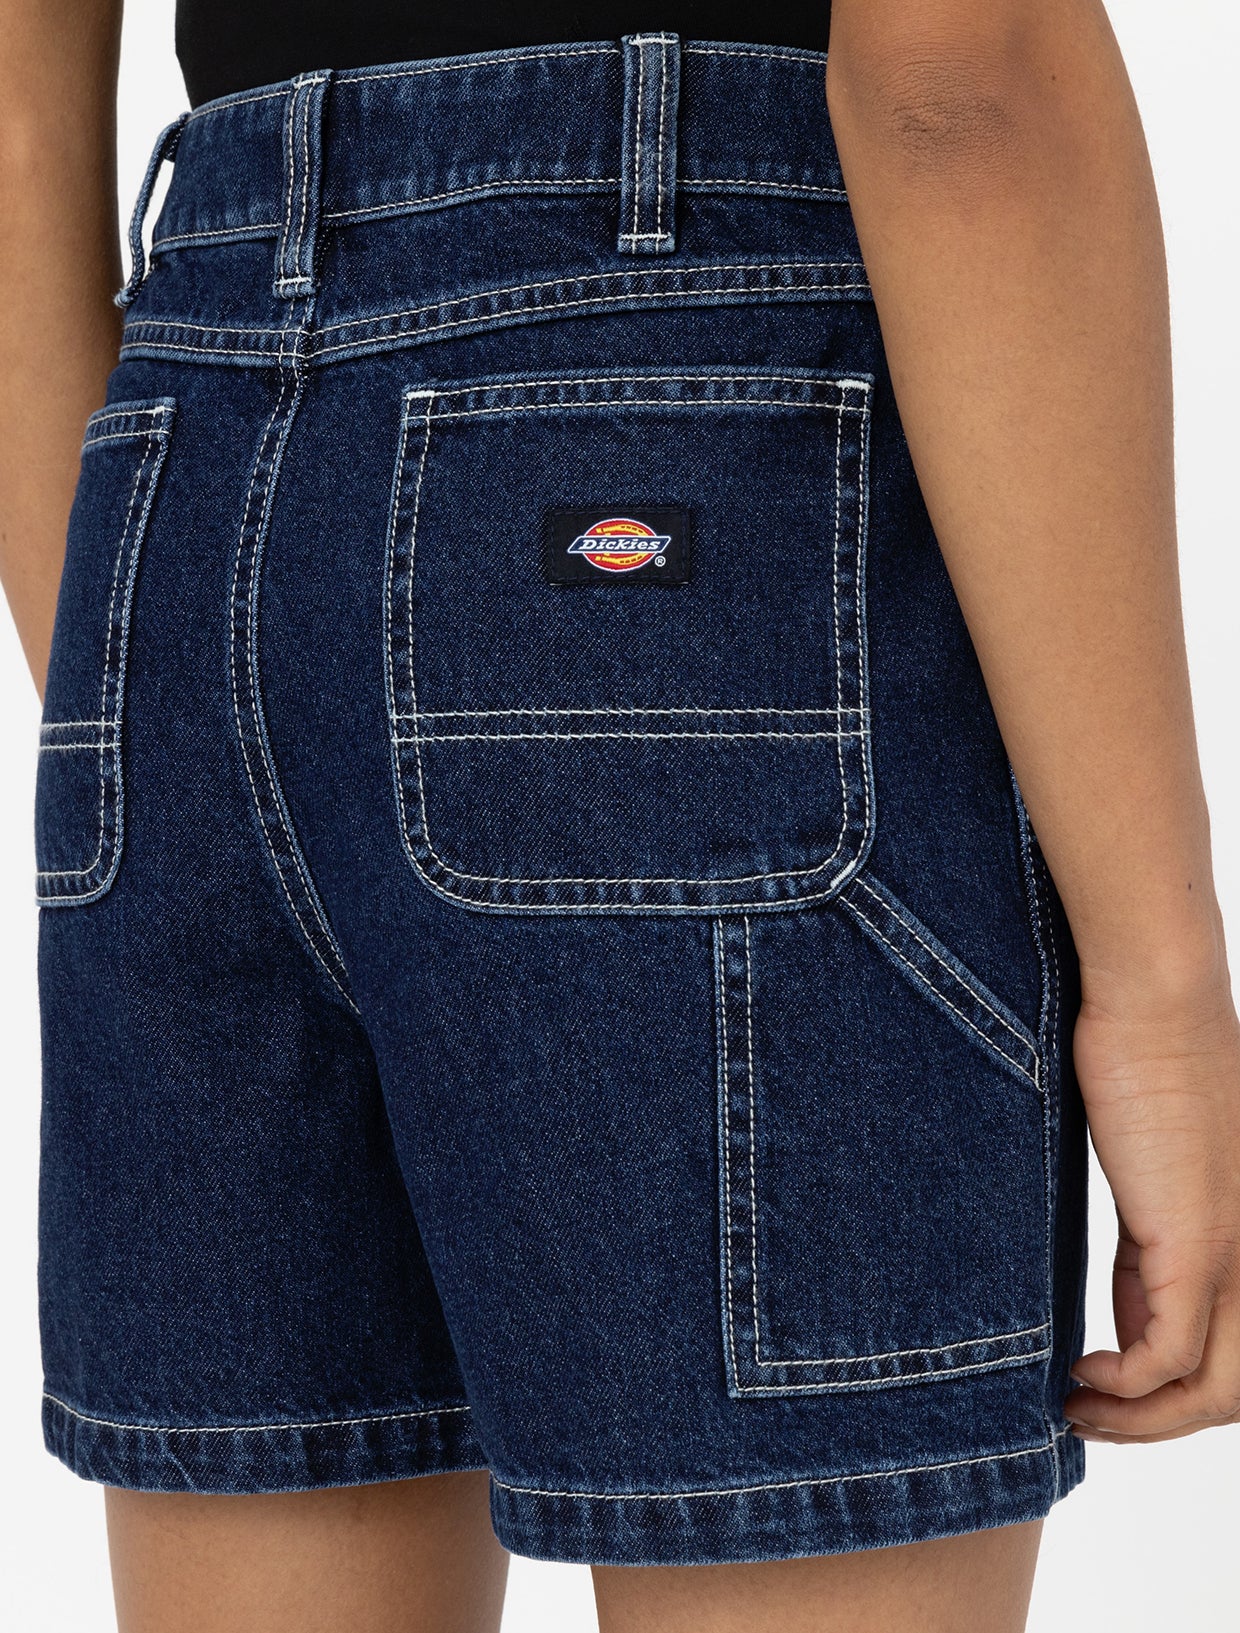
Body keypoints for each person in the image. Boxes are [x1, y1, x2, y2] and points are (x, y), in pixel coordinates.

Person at [2, 0, 1237, 1628]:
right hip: (674, 410)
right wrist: (1162, 991)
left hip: (185, 472)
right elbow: (956, 79)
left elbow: (13, 121)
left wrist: (146, 701)